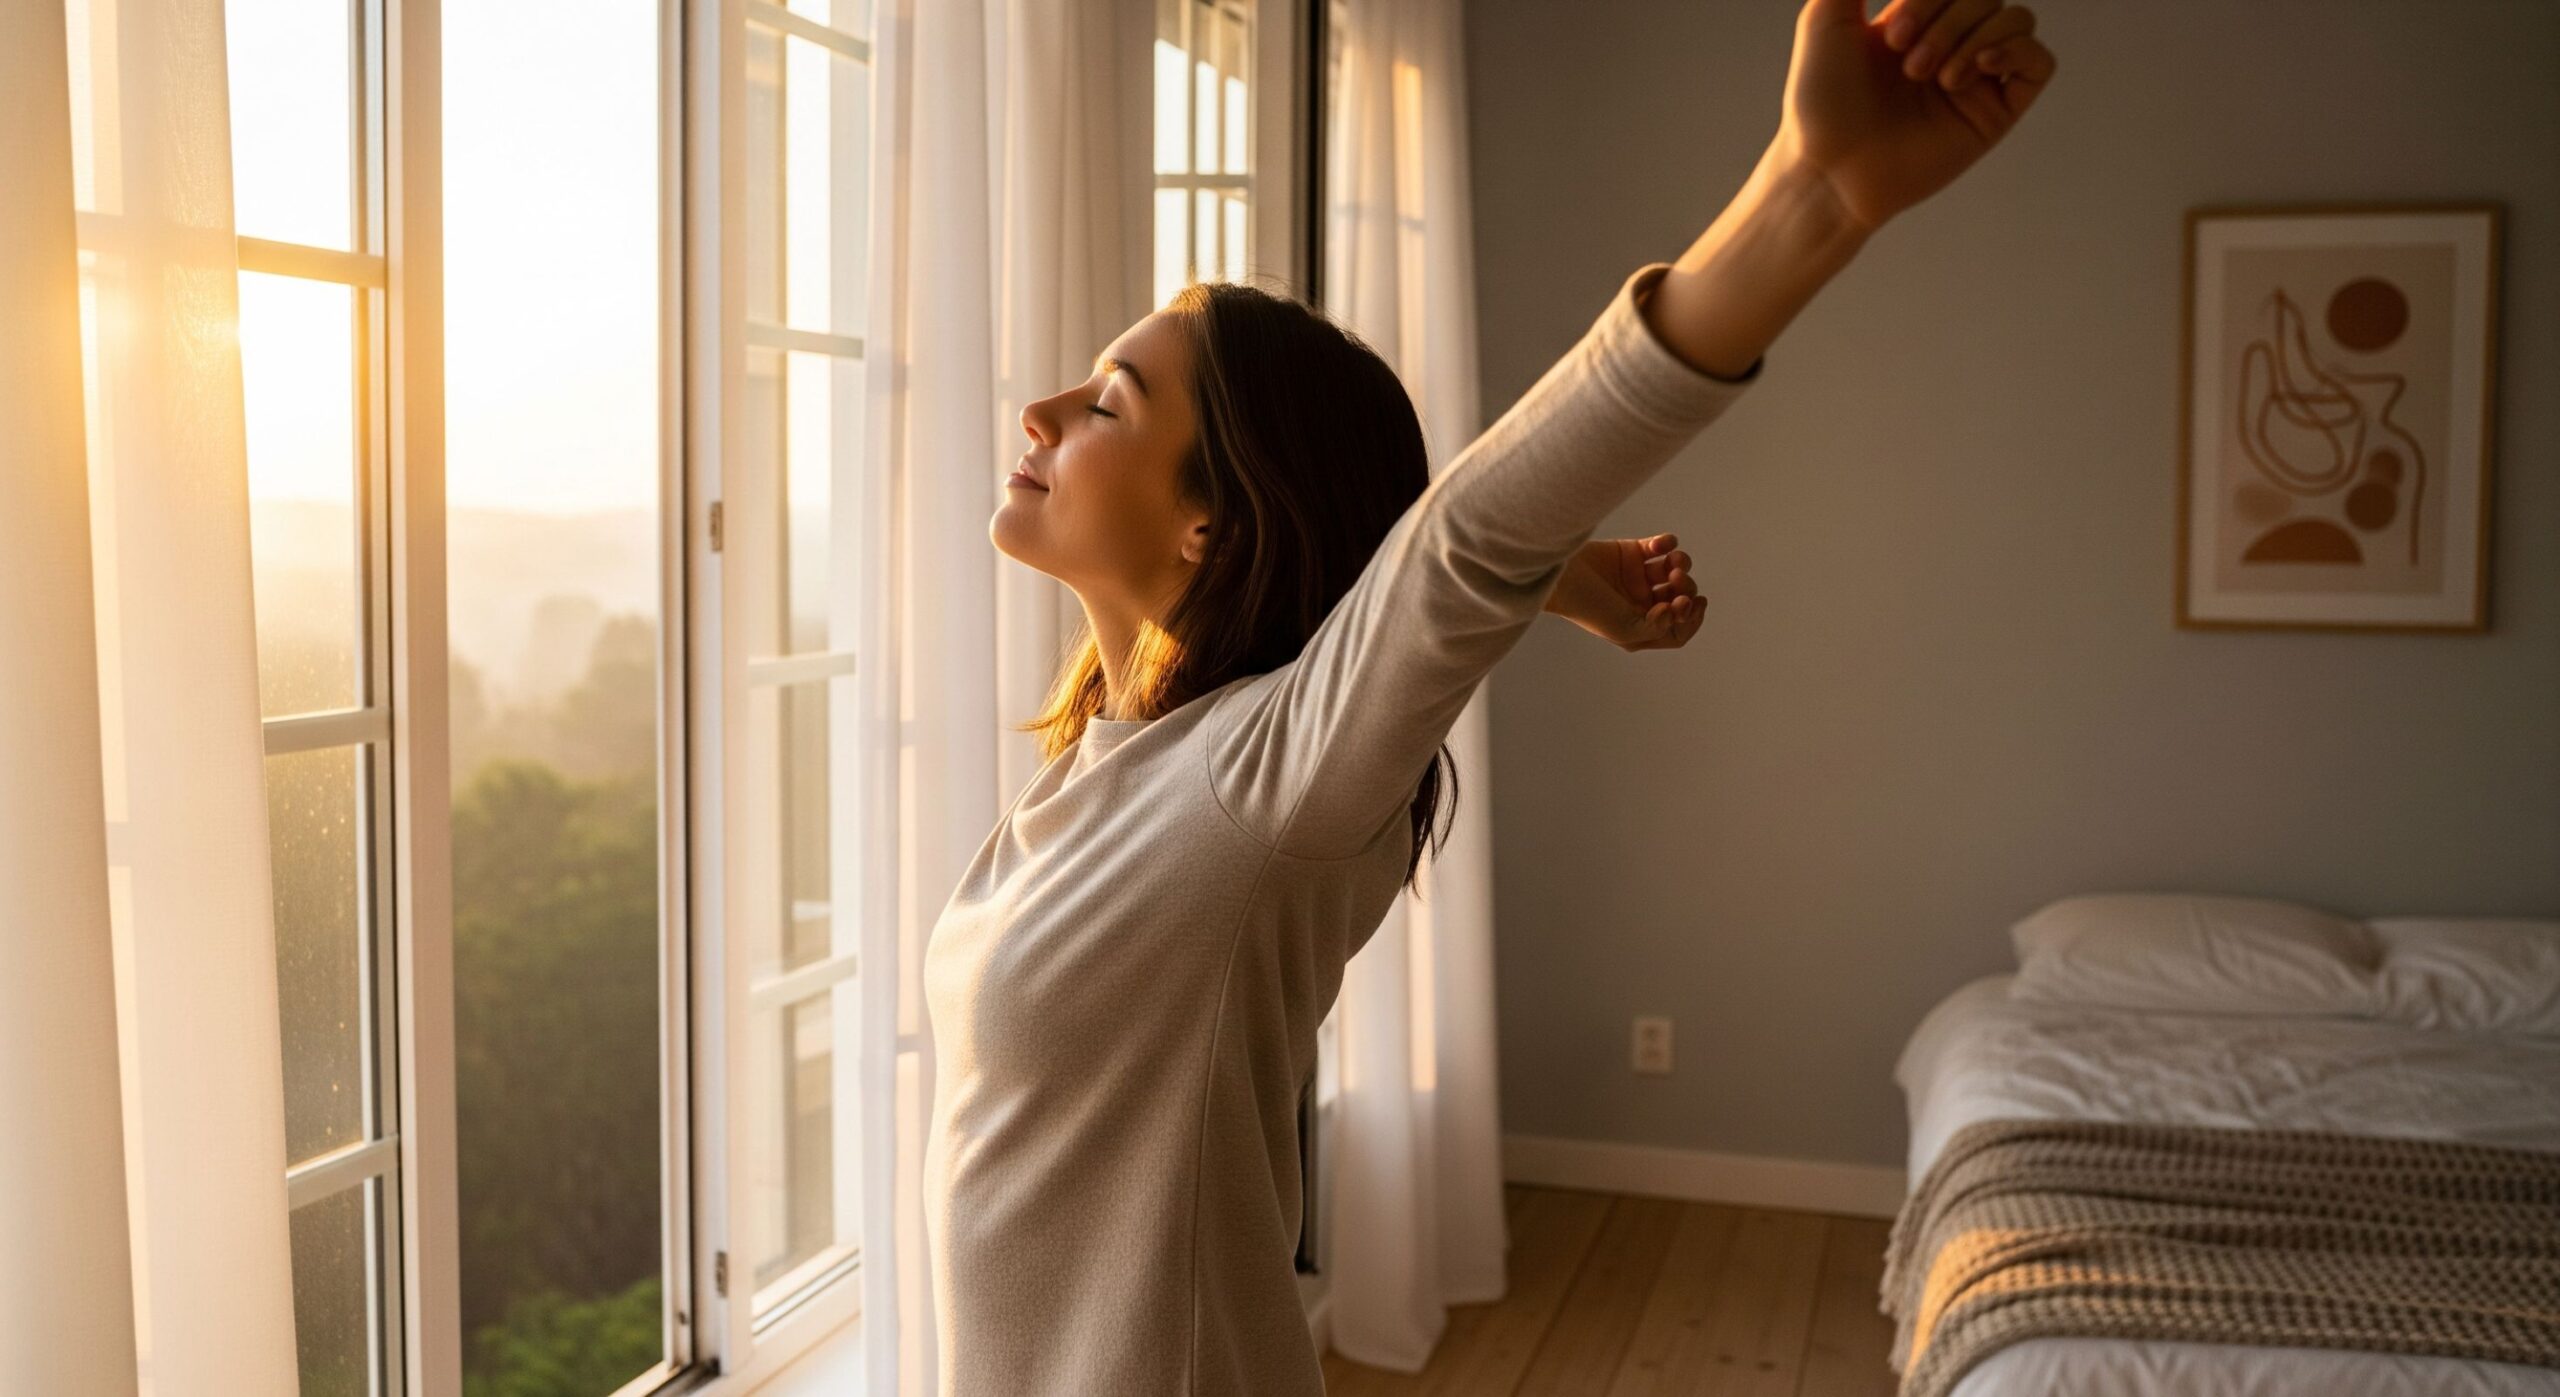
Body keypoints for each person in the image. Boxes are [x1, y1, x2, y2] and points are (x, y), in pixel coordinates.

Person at [924, 0, 2057, 1391]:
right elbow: (1425, 586)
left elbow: (1461, 541)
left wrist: (1813, 194)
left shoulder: (1250, 789)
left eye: (1107, 401)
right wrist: (1569, 582)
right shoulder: (1106, 769)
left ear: (1216, 522)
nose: (1039, 411)